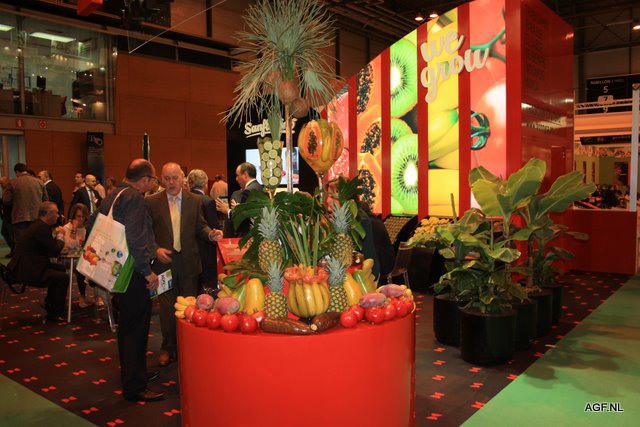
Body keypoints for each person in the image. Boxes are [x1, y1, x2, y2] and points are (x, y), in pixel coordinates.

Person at [95, 159, 164, 402]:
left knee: (127, 327)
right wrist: (147, 272)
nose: (153, 184)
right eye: (153, 179)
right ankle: (135, 385)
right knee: (136, 329)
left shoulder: (113, 195)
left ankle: (135, 374)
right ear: (144, 179)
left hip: (116, 271)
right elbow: (136, 238)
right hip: (133, 273)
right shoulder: (134, 198)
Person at [146, 163, 223, 367]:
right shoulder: (151, 202)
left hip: (189, 262)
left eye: (175, 178)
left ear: (183, 178)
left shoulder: (194, 200)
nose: (171, 182)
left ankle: (186, 347)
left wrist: (210, 234)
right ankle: (168, 347)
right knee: (166, 309)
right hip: (164, 264)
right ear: (161, 179)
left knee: (188, 307)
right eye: (167, 178)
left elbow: (200, 226)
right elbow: (146, 232)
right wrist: (155, 249)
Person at [6, 202, 68, 321]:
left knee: (61, 268)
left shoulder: (39, 225)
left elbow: (47, 247)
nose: (58, 216)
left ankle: (50, 303)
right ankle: (55, 313)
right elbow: (54, 251)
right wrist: (60, 236)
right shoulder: (41, 228)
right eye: (56, 213)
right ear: (48, 214)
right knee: (63, 278)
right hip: (29, 269)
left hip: (32, 264)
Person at [187, 169, 220, 289]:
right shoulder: (208, 201)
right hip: (206, 249)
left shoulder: (185, 200)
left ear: (189, 183)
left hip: (189, 248)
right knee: (208, 282)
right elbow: (213, 228)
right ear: (205, 184)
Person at [215, 162, 263, 237]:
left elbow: (243, 218)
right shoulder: (260, 187)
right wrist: (239, 208)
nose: (236, 179)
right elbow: (251, 212)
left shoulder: (248, 191)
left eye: (237, 175)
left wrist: (227, 210)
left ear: (245, 175)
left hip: (248, 235)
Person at [62, 203, 91, 308]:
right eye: (78, 216)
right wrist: (74, 229)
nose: (81, 219)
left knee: (97, 265)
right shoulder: (67, 228)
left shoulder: (86, 229)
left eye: (83, 217)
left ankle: (98, 294)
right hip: (67, 258)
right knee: (81, 267)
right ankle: (82, 296)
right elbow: (70, 245)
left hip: (83, 257)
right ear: (73, 216)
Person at [11, 163, 47, 246]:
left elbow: (6, 200)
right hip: (36, 216)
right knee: (35, 242)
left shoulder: (13, 182)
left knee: (21, 243)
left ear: (17, 172)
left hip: (19, 217)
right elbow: (45, 200)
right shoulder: (39, 182)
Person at [0, 176, 15, 256]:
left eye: (2, 183)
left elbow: (7, 201)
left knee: (10, 235)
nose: (1, 185)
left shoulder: (10, 189)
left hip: (10, 217)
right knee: (5, 232)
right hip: (6, 216)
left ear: (7, 181)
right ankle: (13, 250)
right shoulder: (5, 190)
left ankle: (14, 251)